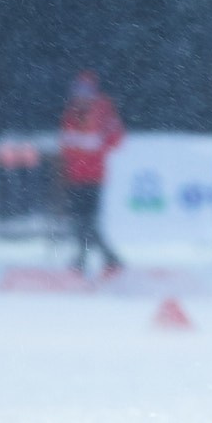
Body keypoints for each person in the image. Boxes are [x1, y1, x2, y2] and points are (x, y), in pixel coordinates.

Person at [59, 69, 125, 278]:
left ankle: (97, 258)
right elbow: (67, 141)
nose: (81, 95)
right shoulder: (72, 111)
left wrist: (93, 145)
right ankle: (95, 258)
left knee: (87, 221)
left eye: (85, 90)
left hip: (93, 176)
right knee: (79, 221)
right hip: (74, 175)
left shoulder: (102, 109)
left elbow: (115, 137)